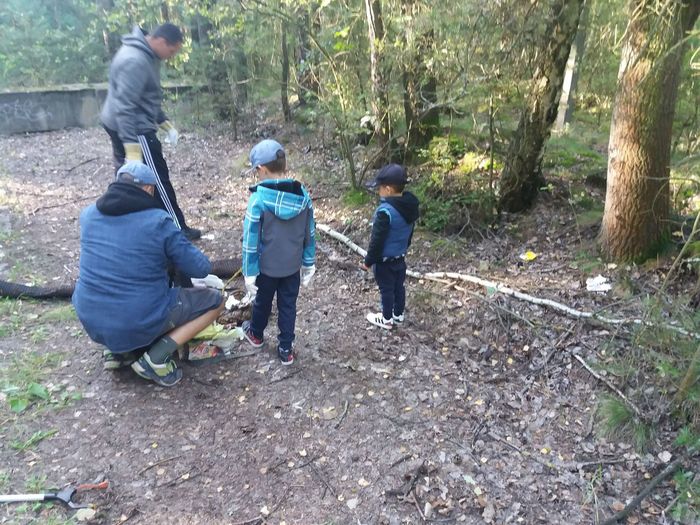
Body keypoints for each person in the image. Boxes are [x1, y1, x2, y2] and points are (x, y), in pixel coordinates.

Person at [72, 162, 224, 387]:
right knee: (215, 301)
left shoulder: (88, 215)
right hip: (138, 317)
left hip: (91, 316)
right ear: (148, 189)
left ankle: (118, 352)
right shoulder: (157, 221)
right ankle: (156, 359)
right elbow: (200, 268)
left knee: (116, 290)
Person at [100, 22, 201, 241]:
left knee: (128, 181)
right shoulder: (135, 60)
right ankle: (177, 229)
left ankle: (130, 229)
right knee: (156, 180)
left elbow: (147, 96)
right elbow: (126, 106)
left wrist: (164, 122)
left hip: (125, 124)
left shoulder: (146, 54)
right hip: (134, 129)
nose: (171, 57)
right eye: (172, 51)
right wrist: (131, 146)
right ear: (161, 41)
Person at [240, 139, 316, 365]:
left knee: (262, 301)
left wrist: (249, 271)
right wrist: (308, 262)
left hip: (266, 268)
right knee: (288, 305)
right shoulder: (302, 196)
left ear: (261, 169)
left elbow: (250, 240)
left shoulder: (258, 200)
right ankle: (285, 348)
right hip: (292, 267)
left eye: (256, 171)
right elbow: (309, 232)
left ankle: (256, 334)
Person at [360, 164, 420, 329]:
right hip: (400, 259)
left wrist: (368, 261)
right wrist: (403, 248)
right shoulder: (409, 208)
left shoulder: (385, 212)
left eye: (379, 188)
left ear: (388, 189)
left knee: (386, 290)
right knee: (399, 287)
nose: (378, 191)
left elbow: (377, 241)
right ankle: (398, 315)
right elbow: (410, 234)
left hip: (384, 262)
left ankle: (386, 319)